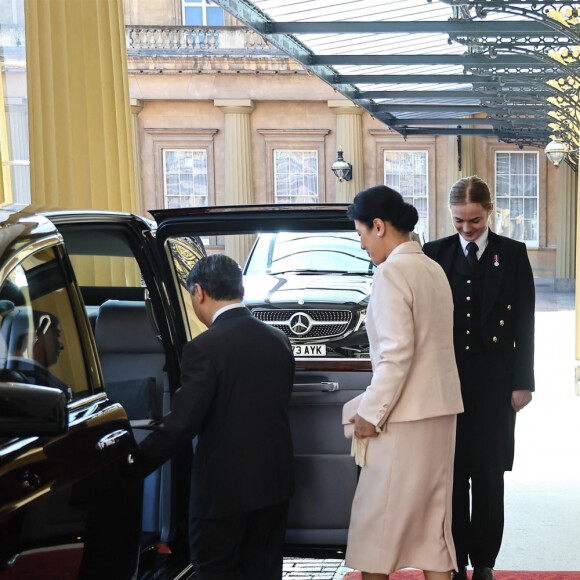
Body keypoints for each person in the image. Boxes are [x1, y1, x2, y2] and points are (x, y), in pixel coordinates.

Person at [137, 254, 295, 580]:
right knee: (264, 570)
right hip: (274, 483)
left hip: (222, 491)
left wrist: (132, 464)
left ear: (199, 293)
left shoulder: (203, 348)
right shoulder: (278, 340)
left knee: (214, 568)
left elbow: (183, 423)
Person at [345, 185, 464, 580]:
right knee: (433, 529)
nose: (362, 244)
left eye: (361, 234)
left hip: (402, 418)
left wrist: (369, 414)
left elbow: (397, 355)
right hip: (440, 411)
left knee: (375, 530)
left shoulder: (391, 272)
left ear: (378, 226)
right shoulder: (433, 268)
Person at [423, 176, 535, 580]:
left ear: (489, 211)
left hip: (495, 382)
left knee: (489, 475)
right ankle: (453, 560)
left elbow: (524, 319)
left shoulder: (514, 253)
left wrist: (524, 381)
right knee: (450, 474)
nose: (467, 228)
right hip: (446, 380)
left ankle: (484, 562)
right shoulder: (432, 254)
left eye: (473, 220)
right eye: (459, 221)